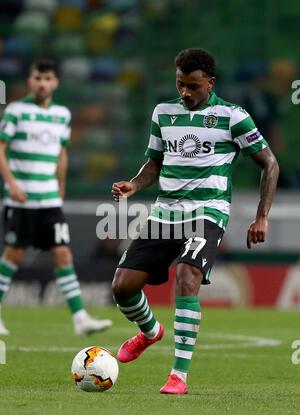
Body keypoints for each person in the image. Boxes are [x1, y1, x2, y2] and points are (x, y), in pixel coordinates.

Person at [112, 48, 279, 394]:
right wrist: (135, 183)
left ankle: (179, 376)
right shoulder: (164, 112)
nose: (185, 93)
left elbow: (270, 164)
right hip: (165, 212)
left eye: (192, 86)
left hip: (208, 211)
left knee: (187, 276)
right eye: (180, 85)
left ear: (210, 83)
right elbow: (154, 163)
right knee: (122, 287)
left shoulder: (233, 116)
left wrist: (262, 216)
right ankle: (149, 332)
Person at [0, 59, 112, 336]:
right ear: (30, 81)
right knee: (14, 254)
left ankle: (80, 318)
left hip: (49, 197)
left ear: (56, 83)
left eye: (47, 78)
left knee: (62, 252)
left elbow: (62, 153)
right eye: (37, 78)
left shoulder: (61, 114)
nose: (42, 83)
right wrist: (11, 183)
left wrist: (61, 186)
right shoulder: (16, 110)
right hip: (21, 199)